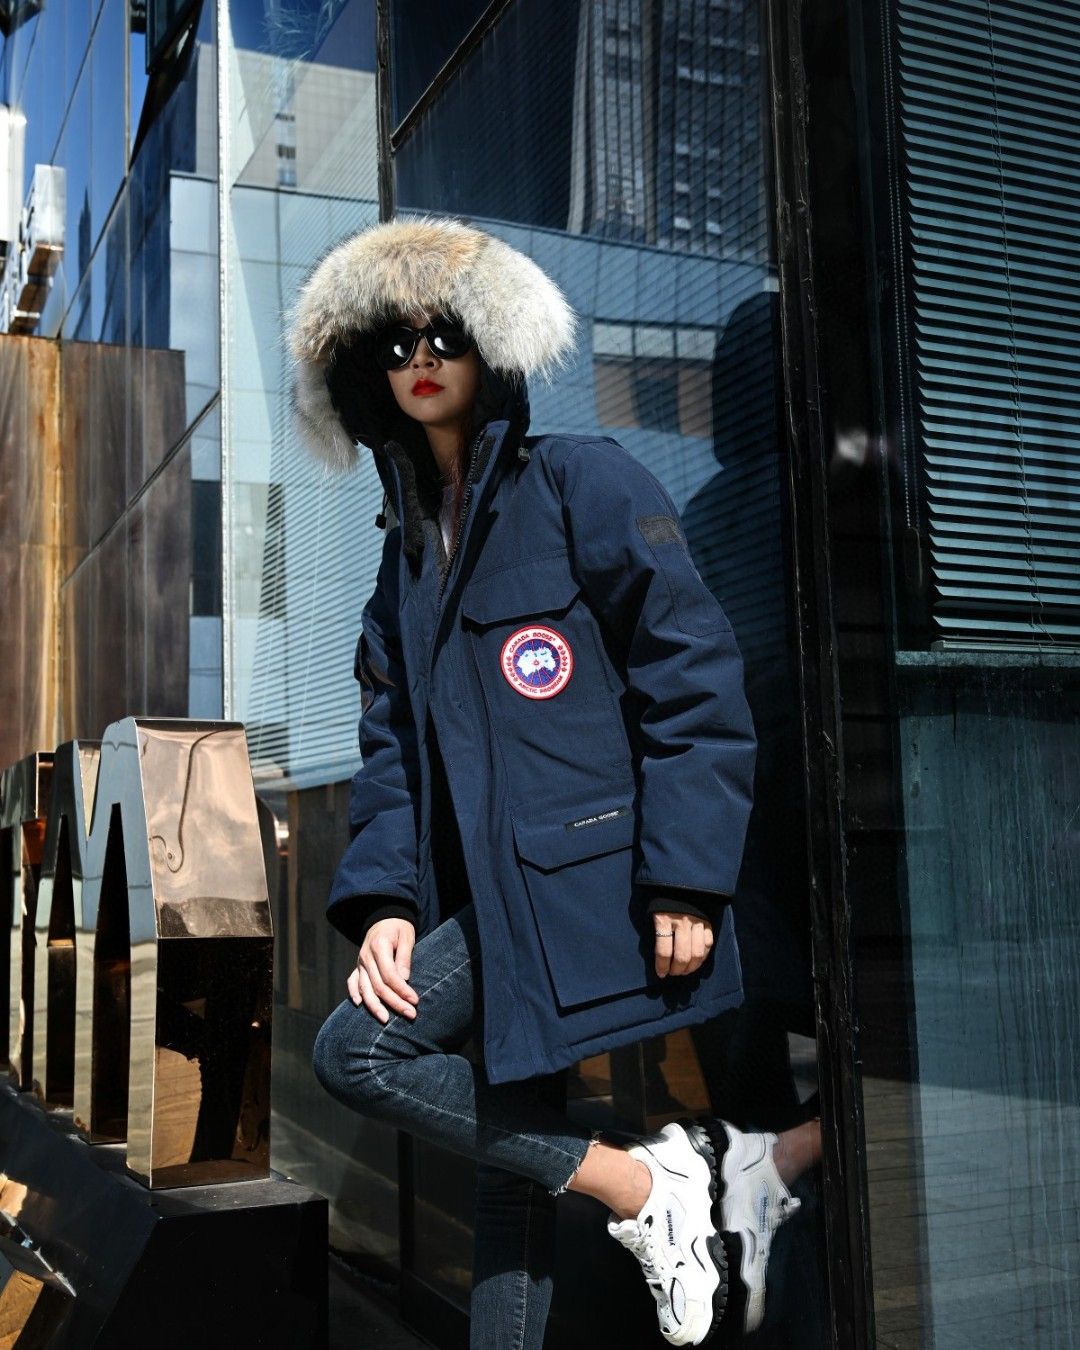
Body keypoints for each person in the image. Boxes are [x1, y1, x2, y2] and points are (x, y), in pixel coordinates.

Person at [288, 215, 806, 1348]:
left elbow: (693, 678)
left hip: (596, 885)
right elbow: (393, 746)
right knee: (508, 1164)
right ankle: (653, 1185)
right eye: (395, 345)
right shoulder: (402, 560)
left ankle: (644, 1185)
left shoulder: (583, 480)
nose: (422, 360)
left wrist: (687, 878)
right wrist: (386, 905)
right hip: (491, 899)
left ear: (489, 345)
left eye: (444, 335)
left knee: (357, 1052)